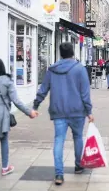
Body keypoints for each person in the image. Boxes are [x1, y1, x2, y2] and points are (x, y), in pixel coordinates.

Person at [32, 42, 94, 186]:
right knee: (78, 137)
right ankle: (78, 166)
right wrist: (89, 111)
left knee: (59, 140)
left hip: (58, 111)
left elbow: (43, 89)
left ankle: (59, 174)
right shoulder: (80, 69)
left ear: (60, 53)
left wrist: (36, 105)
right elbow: (85, 93)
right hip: (77, 111)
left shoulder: (52, 70)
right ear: (73, 52)